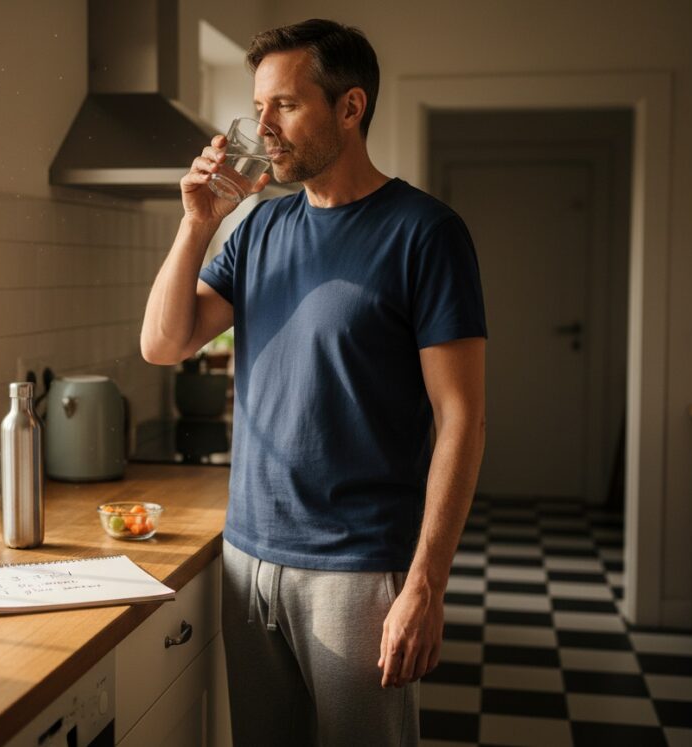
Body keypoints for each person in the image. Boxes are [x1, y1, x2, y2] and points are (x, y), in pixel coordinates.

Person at [140, 18, 486, 747]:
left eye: (286, 105)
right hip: (248, 557)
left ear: (350, 107)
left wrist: (425, 583)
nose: (263, 126)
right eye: (257, 107)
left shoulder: (425, 233)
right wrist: (197, 224)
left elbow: (461, 418)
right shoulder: (258, 230)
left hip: (358, 569)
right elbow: (163, 343)